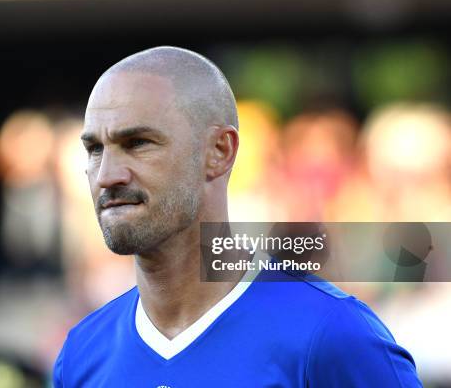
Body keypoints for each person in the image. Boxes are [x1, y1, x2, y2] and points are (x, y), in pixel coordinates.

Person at [53, 46, 422, 387]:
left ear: (219, 151)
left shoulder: (330, 334)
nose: (107, 175)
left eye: (137, 144)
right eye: (95, 149)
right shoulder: (82, 353)